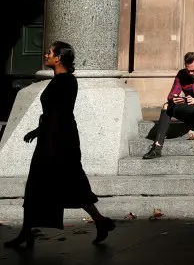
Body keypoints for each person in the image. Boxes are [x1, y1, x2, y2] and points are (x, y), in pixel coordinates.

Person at [5, 41, 115, 249]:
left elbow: (59, 115)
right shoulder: (62, 81)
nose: (45, 55)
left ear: (58, 58)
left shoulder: (64, 82)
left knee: (66, 184)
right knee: (44, 186)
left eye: (50, 52)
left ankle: (100, 221)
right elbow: (55, 114)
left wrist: (49, 145)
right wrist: (38, 132)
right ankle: (27, 232)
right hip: (55, 138)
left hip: (58, 142)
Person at [143, 51, 194, 159]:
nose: (190, 73)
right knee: (167, 105)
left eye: (193, 70)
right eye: (188, 70)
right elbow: (171, 95)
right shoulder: (181, 74)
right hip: (188, 110)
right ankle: (157, 147)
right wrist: (174, 99)